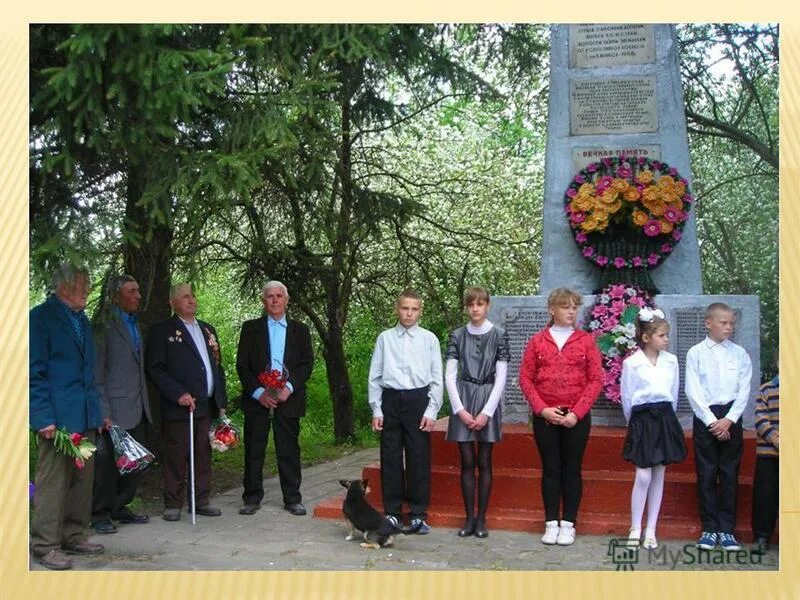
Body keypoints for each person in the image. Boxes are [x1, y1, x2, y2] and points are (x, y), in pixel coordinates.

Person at [29, 263, 106, 570]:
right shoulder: (40, 318)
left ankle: (74, 534)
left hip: (85, 415)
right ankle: (44, 544)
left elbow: (89, 371)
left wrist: (98, 412)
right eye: (82, 284)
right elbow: (32, 373)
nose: (87, 289)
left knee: (81, 480)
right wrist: (41, 417)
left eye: (88, 284)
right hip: (57, 420)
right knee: (53, 482)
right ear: (63, 286)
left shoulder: (82, 320)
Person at [519, 287, 603, 546]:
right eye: (565, 307)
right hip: (546, 416)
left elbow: (596, 379)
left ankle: (568, 523)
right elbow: (526, 378)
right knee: (550, 469)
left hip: (575, 417)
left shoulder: (586, 341)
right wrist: (542, 409)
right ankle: (551, 522)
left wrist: (577, 413)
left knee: (572, 469)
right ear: (552, 309)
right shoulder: (537, 341)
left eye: (575, 307)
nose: (571, 312)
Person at [146, 283, 228, 522]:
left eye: (193, 296)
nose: (191, 300)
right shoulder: (163, 331)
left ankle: (200, 500)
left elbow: (217, 367)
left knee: (203, 453)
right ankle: (173, 503)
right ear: (172, 303)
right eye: (185, 297)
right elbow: (155, 368)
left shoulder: (207, 329)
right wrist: (178, 393)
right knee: (177, 454)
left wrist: (221, 401)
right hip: (180, 406)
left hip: (206, 404)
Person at [368, 288, 443, 534]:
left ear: (420, 311)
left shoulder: (429, 339)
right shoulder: (385, 338)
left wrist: (432, 409)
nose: (409, 313)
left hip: (418, 399)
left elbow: (437, 377)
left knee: (418, 456)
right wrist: (376, 408)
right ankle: (392, 512)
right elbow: (375, 376)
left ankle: (418, 513)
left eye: (414, 309)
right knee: (390, 456)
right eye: (405, 308)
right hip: (390, 399)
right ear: (397, 309)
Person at [236, 281, 314, 516]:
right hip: (258, 399)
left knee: (288, 449)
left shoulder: (301, 330)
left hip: (288, 398)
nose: (275, 300)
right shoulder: (251, 328)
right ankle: (251, 498)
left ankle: (292, 498)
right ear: (264, 301)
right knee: (254, 448)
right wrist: (258, 393)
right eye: (270, 296)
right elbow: (242, 365)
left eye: (279, 296)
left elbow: (307, 363)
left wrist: (289, 387)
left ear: (286, 300)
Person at [685, 302, 752, 551]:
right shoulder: (696, 353)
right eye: (723, 322)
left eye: (732, 323)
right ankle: (709, 528)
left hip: (731, 417)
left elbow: (744, 389)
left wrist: (730, 419)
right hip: (706, 417)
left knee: (729, 473)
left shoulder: (740, 354)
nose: (729, 327)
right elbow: (692, 389)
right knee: (706, 473)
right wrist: (712, 421)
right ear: (708, 323)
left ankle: (726, 530)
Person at [445, 287, 509, 539]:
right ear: (466, 307)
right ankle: (468, 518)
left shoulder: (499, 335)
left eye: (480, 304)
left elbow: (501, 376)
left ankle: (481, 518)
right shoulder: (457, 335)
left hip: (487, 398)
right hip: (463, 396)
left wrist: (487, 413)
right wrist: (459, 409)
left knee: (484, 460)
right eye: (471, 304)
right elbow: (450, 375)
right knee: (467, 461)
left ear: (487, 306)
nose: (475, 309)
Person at [620, 307, 687, 550]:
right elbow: (627, 397)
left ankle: (651, 529)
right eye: (662, 335)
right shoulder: (632, 364)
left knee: (659, 474)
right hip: (642, 420)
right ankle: (635, 527)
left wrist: (669, 420)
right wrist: (634, 425)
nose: (666, 339)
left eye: (667, 334)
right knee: (643, 475)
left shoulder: (671, 361)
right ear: (646, 337)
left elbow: (674, 393)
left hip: (664, 417)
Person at [91, 274, 153, 534]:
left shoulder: (134, 323)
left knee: (134, 464)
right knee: (107, 467)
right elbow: (97, 372)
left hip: (137, 406)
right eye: (131, 291)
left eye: (138, 290)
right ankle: (100, 514)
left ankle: (120, 506)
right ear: (115, 296)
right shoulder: (104, 325)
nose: (138, 296)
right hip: (113, 410)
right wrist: (103, 411)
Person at [751, 364, 779, 552]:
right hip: (769, 452)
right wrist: (777, 440)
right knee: (765, 496)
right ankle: (762, 537)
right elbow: (761, 419)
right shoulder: (766, 389)